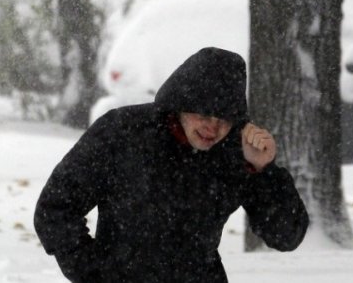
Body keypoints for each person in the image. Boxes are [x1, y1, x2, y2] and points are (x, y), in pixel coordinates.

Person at [34, 47, 309, 283]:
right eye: (203, 114)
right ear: (180, 103)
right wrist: (94, 274)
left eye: (223, 119)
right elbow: (55, 210)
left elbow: (286, 236)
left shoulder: (235, 153)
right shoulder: (123, 132)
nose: (212, 128)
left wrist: (264, 171)